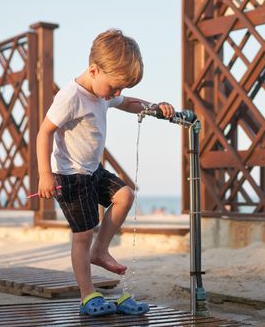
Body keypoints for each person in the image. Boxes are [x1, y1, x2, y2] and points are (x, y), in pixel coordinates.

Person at [36, 29, 174, 316]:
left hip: (93, 171)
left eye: (120, 88)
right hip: (71, 176)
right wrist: (45, 174)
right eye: (114, 87)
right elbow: (44, 132)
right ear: (94, 70)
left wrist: (153, 108)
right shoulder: (71, 96)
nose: (116, 94)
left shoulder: (105, 92)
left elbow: (128, 103)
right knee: (82, 234)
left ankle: (100, 250)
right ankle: (87, 295)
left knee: (125, 195)